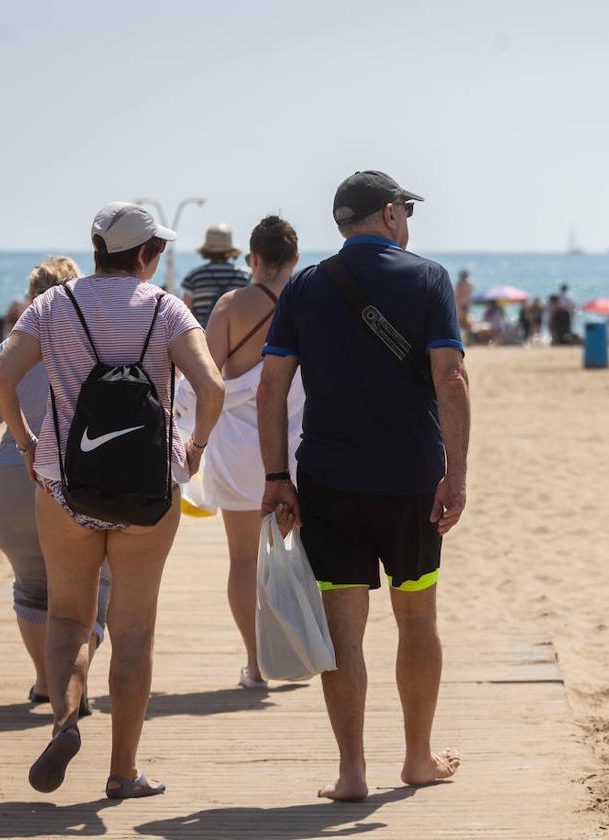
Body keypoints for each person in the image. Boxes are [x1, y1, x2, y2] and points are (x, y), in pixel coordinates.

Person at [0, 202, 224, 800]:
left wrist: (25, 442)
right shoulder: (168, 310)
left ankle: (66, 722)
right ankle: (123, 772)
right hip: (149, 490)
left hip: (67, 486)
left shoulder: (52, 305)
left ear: (97, 249)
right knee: (135, 629)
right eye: (159, 250)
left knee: (69, 617)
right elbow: (211, 386)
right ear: (145, 255)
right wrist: (194, 449)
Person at [258, 170, 469, 802]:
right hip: (412, 483)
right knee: (417, 618)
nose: (408, 219)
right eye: (406, 208)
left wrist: (276, 477)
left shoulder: (305, 287)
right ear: (388, 214)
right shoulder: (429, 278)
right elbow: (450, 380)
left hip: (329, 481)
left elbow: (272, 388)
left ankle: (351, 773)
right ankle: (418, 759)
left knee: (342, 631)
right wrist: (456, 473)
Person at [0, 257, 111, 715]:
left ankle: (48, 684)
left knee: (31, 587)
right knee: (91, 586)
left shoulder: (13, 346)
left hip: (12, 478)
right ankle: (75, 685)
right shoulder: (94, 343)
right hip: (78, 478)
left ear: (32, 299)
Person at [199, 215, 304, 689]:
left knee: (243, 559)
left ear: (253, 259)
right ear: (296, 260)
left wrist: (192, 441)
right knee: (305, 552)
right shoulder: (312, 301)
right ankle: (306, 653)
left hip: (241, 446)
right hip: (300, 441)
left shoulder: (229, 305)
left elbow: (207, 378)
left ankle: (256, 663)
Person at [180, 223, 252, 328]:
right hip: (238, 340)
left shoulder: (194, 277)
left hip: (204, 340)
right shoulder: (246, 276)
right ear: (230, 249)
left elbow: (186, 316)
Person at [454, 269, 474, 340]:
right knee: (467, 325)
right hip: (466, 305)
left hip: (459, 305)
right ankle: (468, 341)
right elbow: (470, 295)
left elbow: (456, 295)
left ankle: (462, 341)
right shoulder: (470, 283)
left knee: (458, 323)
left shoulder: (459, 283)